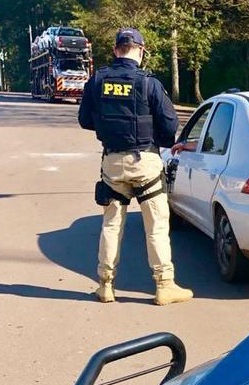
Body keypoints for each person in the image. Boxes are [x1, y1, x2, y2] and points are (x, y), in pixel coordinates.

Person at [78, 28, 193, 306]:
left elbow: (85, 120)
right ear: (140, 51)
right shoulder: (148, 83)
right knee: (155, 226)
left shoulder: (97, 81)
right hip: (145, 163)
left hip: (113, 162)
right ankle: (164, 286)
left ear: (116, 49)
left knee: (111, 224)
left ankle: (105, 285)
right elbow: (169, 125)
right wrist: (162, 141)